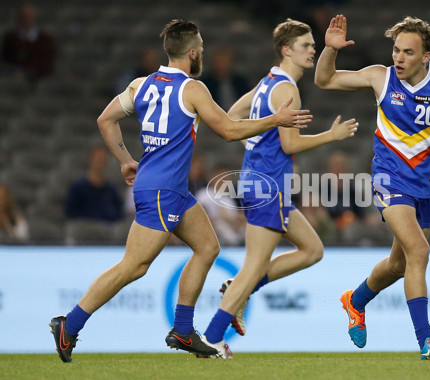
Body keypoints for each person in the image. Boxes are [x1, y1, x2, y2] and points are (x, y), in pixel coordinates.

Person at [49, 19, 312, 363]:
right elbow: (230, 130)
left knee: (207, 247)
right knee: (133, 266)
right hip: (162, 191)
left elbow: (105, 119)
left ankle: (183, 330)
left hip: (168, 188)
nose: (202, 52)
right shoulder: (192, 89)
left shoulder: (140, 85)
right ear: (191, 52)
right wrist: (275, 120)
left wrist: (126, 160)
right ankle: (70, 323)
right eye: (201, 48)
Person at [314, 15, 430, 359]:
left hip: (427, 186)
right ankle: (426, 340)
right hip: (389, 177)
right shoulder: (380, 77)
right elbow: (324, 80)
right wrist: (329, 49)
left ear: (426, 56)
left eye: (408, 52)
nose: (399, 58)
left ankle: (355, 301)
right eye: (396, 50)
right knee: (420, 252)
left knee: (399, 265)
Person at [199, 18, 358, 357]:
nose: (313, 49)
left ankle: (238, 289)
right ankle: (212, 337)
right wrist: (332, 135)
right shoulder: (286, 89)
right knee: (255, 264)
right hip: (268, 184)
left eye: (313, 45)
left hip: (267, 181)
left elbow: (232, 114)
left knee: (312, 250)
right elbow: (289, 145)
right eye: (306, 45)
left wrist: (255, 139)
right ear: (287, 49)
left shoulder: (268, 81)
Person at [64, 145, 124, 223]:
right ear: (91, 160)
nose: (100, 163)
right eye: (98, 159)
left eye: (103, 159)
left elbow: (118, 214)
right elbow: (71, 213)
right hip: (84, 228)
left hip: (106, 230)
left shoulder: (112, 190)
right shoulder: (77, 187)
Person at [1, 3, 56, 82]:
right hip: (14, 78)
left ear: (34, 17)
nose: (25, 19)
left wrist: (32, 71)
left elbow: (48, 63)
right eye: (22, 16)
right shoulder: (9, 38)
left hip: (38, 78)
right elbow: (5, 60)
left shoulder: (45, 39)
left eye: (28, 16)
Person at [199, 46, 251, 110]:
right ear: (214, 63)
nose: (222, 65)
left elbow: (248, 102)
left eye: (225, 62)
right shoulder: (205, 83)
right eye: (219, 62)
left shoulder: (240, 82)